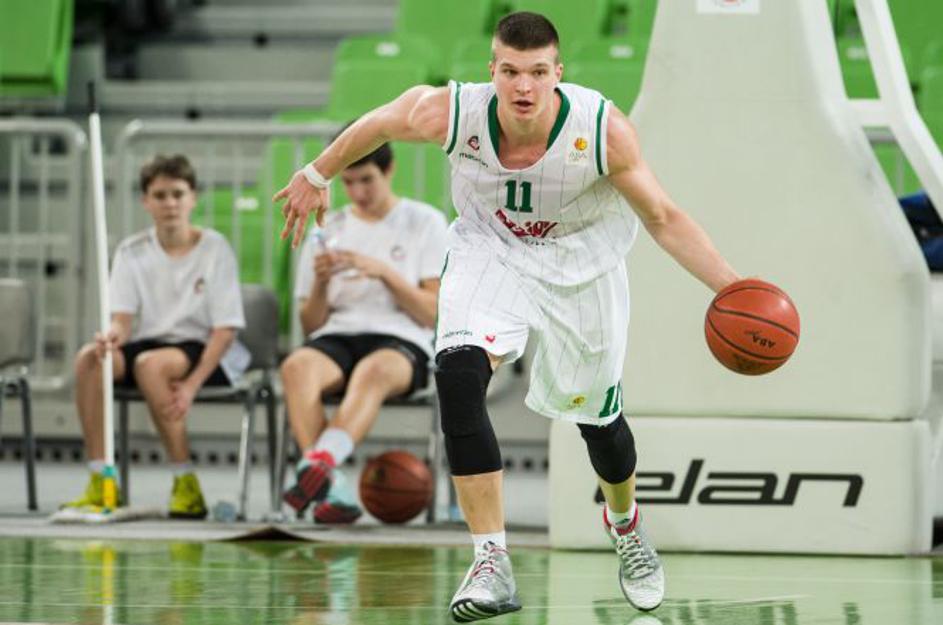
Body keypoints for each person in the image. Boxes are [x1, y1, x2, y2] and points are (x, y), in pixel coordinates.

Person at [275, 12, 741, 620]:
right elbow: (381, 120)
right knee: (458, 374)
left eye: (538, 73)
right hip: (490, 250)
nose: (524, 86)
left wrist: (731, 287)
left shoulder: (603, 130)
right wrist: (316, 173)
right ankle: (490, 560)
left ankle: (625, 521)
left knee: (599, 423)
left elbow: (663, 217)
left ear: (558, 73)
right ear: (491, 70)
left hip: (581, 262)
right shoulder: (453, 113)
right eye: (512, 72)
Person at [63, 154, 249, 519]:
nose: (170, 203)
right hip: (150, 341)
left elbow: (225, 329)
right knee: (90, 359)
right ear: (146, 202)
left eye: (178, 194)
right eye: (160, 195)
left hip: (203, 349)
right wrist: (111, 337)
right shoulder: (131, 251)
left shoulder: (215, 248)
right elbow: (122, 321)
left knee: (151, 365)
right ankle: (101, 479)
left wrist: (192, 385)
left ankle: (185, 482)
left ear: (193, 198)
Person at [280, 130, 447, 524]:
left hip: (402, 337)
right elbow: (311, 324)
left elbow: (432, 313)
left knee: (373, 371)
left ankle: (318, 464)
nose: (358, 192)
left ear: (389, 170)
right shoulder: (327, 227)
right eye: (349, 182)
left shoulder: (425, 222)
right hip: (338, 333)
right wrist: (321, 283)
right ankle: (329, 481)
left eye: (367, 180)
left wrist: (385, 273)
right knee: (296, 367)